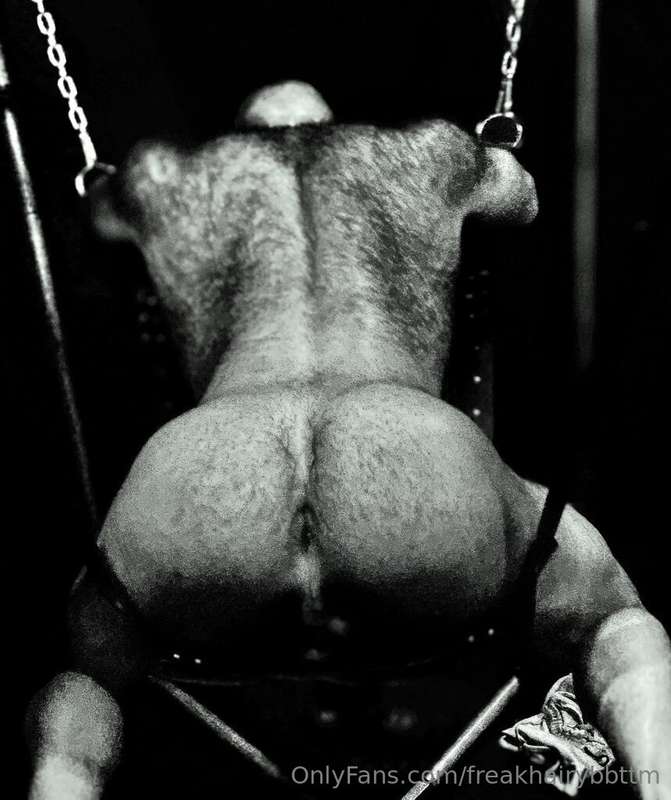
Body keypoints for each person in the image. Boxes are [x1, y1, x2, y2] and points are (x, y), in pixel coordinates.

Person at [25, 82, 671, 800]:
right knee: (611, 617)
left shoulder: (164, 177)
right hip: (408, 454)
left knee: (88, 671)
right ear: (336, 123)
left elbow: (99, 215)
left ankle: (59, 784)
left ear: (237, 132)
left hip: (207, 475)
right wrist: (482, 160)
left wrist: (118, 194)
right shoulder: (426, 151)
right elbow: (521, 197)